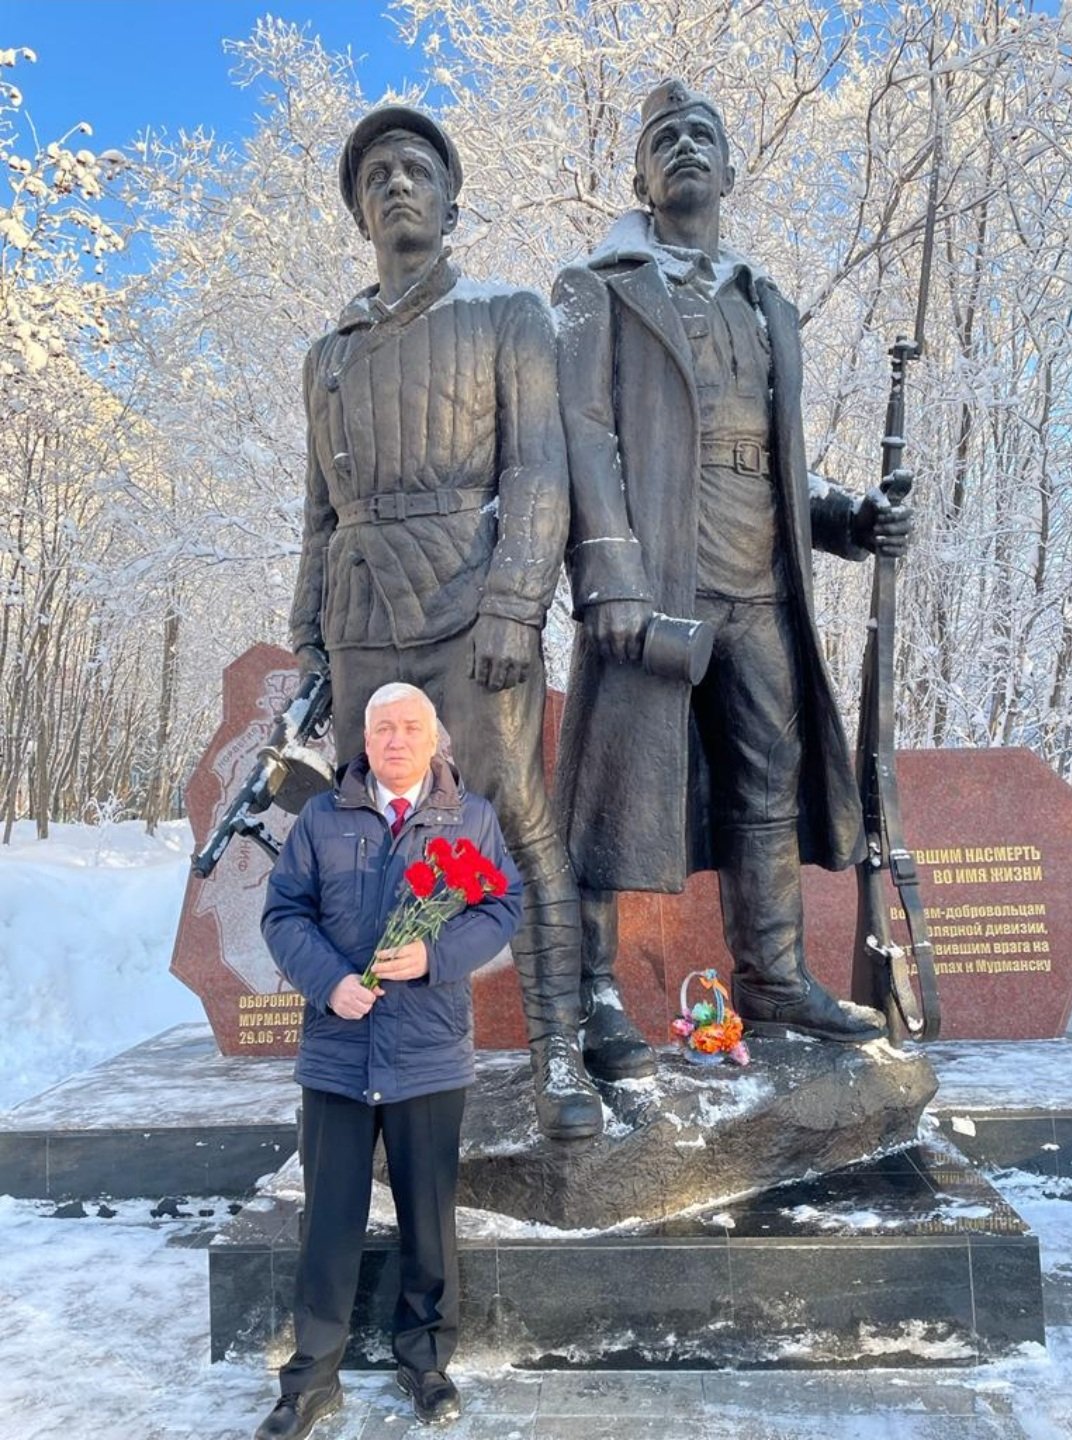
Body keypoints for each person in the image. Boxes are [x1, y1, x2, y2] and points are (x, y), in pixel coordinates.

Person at [553, 79, 912, 1048]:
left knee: (768, 783)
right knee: (610, 790)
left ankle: (776, 980)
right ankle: (587, 990)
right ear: (640, 176)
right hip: (653, 580)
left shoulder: (766, 304)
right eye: (664, 137)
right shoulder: (597, 288)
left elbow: (780, 460)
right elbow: (581, 438)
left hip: (761, 584)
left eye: (702, 133)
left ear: (729, 167)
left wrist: (851, 518)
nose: (685, 147)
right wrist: (609, 574)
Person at [289, 102, 603, 1139]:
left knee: (510, 820)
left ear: (452, 203)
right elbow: (319, 513)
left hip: (472, 610)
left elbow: (540, 472)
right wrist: (309, 639)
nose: (395, 183)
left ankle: (560, 1051)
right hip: (361, 617)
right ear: (358, 212)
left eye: (416, 169)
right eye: (375, 174)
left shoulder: (508, 316)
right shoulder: (328, 356)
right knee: (373, 842)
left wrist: (516, 603)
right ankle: (390, 1056)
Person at [255, 683, 522, 1438]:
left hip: (428, 1055)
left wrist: (436, 955)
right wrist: (329, 982)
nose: (396, 740)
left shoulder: (470, 819)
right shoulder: (322, 818)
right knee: (328, 1223)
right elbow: (284, 913)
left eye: (410, 727)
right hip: (338, 1055)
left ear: (434, 739)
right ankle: (311, 1378)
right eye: (382, 729)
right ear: (365, 741)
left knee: (429, 1222)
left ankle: (426, 1362)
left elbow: (501, 906)